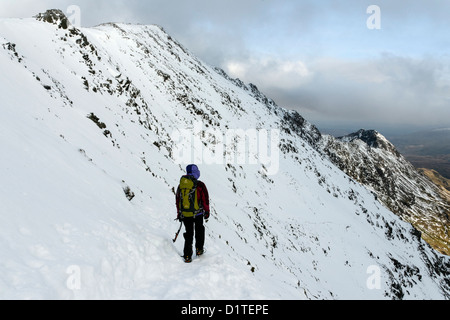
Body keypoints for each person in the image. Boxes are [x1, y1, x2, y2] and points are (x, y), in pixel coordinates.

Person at [176, 164, 210, 263]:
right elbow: (205, 199)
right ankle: (199, 250)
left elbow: (178, 200)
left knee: (189, 233)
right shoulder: (200, 185)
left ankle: (187, 255)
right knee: (199, 230)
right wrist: (207, 211)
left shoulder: (181, 185)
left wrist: (179, 213)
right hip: (198, 213)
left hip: (186, 214)